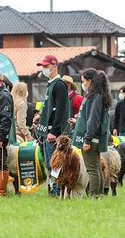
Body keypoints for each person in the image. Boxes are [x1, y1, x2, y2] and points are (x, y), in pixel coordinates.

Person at [33, 55, 69, 197]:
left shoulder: (59, 85)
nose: (44, 69)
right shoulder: (51, 84)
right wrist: (40, 117)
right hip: (46, 130)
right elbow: (50, 108)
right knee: (49, 163)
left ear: (54, 66)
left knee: (55, 163)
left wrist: (54, 131)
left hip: (53, 133)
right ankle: (53, 188)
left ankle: (57, 190)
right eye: (43, 66)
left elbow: (60, 110)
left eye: (46, 66)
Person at [72, 68, 111, 197]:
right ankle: (98, 195)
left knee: (92, 169)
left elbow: (93, 120)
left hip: (91, 139)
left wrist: (87, 139)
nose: (82, 84)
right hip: (93, 138)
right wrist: (77, 122)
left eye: (83, 81)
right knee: (97, 167)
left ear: (90, 81)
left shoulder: (95, 97)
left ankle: (94, 196)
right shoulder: (97, 96)